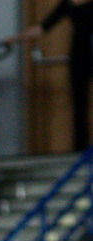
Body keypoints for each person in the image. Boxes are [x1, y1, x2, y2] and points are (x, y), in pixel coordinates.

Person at [22, 0, 93, 151]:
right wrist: (17, 37)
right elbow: (43, 26)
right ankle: (80, 150)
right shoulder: (67, 3)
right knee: (79, 104)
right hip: (79, 54)